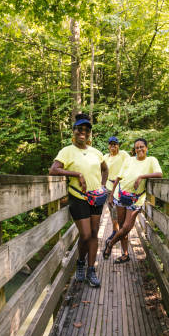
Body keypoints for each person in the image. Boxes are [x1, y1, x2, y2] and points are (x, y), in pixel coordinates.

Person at [49, 113, 108, 287]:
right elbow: (54, 170)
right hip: (78, 197)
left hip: (96, 198)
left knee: (95, 233)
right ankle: (80, 262)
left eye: (86, 130)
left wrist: (103, 186)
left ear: (90, 133)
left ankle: (91, 270)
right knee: (85, 234)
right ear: (74, 131)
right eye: (80, 129)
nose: (83, 132)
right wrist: (77, 174)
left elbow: (105, 169)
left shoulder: (96, 152)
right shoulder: (66, 151)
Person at [103, 138, 162, 263]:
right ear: (134, 150)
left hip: (136, 199)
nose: (139, 149)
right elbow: (118, 178)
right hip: (120, 196)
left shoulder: (151, 160)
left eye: (141, 147)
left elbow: (159, 174)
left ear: (146, 148)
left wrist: (142, 176)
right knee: (122, 227)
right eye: (137, 147)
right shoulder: (129, 160)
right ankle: (125, 255)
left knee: (126, 227)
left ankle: (110, 243)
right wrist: (111, 194)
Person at [103, 136, 131, 243]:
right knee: (111, 210)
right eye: (111, 144)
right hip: (108, 187)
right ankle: (115, 231)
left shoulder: (123, 154)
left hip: (119, 187)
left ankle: (121, 232)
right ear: (108, 146)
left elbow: (131, 164)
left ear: (118, 145)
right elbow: (100, 170)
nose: (113, 146)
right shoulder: (105, 157)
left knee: (118, 210)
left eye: (115, 144)